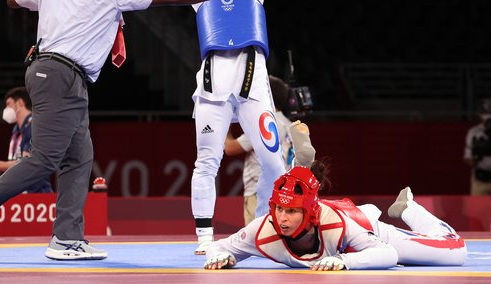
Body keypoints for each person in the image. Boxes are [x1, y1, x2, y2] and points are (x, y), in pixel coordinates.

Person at [0, 0, 260, 261]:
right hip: (58, 74)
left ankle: (66, 239)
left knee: (79, 159)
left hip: (63, 76)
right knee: (45, 158)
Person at [120, 0, 325, 254]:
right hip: (214, 80)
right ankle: (203, 237)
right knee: (207, 160)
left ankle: (265, 226)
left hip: (253, 78)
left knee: (273, 161)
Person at [204, 165, 467, 270]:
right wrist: (221, 256)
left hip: (366, 230)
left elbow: (388, 255)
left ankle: (408, 208)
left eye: (292, 211)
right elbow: (217, 247)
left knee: (455, 253)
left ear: (310, 213)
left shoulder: (333, 225)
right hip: (345, 240)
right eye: (279, 209)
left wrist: (344, 261)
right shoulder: (262, 229)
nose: (282, 218)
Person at [224, 75, 315, 225]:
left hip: (259, 192)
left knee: (257, 241)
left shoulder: (265, 124)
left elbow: (230, 148)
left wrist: (224, 121)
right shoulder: (288, 123)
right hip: (283, 192)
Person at [464, 98, 491, 195]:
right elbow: (467, 158)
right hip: (480, 178)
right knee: (477, 208)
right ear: (480, 115)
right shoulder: (474, 132)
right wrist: (478, 156)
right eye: (486, 113)